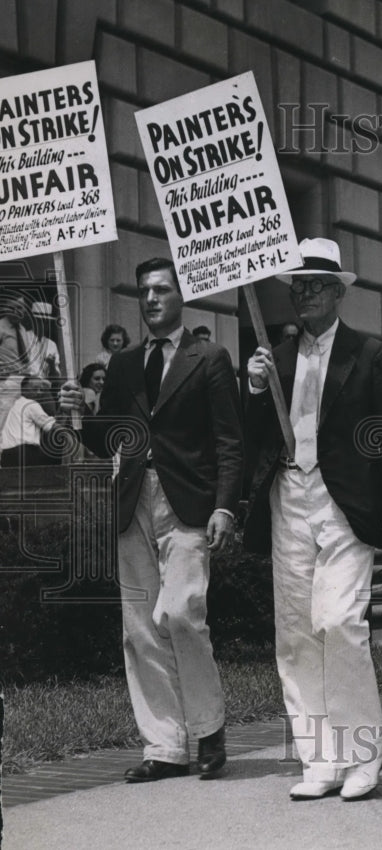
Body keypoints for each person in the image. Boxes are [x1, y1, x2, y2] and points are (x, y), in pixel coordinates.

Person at [59, 257, 242, 784]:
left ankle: (209, 729)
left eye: (162, 289)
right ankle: (164, 744)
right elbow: (107, 438)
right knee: (139, 627)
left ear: (182, 296)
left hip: (188, 502)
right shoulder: (123, 365)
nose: (152, 299)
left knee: (183, 613)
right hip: (133, 497)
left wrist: (225, 505)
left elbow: (230, 441)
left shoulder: (209, 358)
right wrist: (80, 411)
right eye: (144, 291)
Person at [244, 238, 382, 802]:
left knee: (339, 621)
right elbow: (255, 439)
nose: (304, 294)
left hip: (345, 503)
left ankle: (365, 754)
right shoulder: (278, 358)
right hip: (289, 494)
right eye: (298, 286)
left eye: (316, 285)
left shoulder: (369, 355)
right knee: (294, 632)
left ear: (340, 292)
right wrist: (253, 388)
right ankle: (321, 758)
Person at [0, 375, 64, 467]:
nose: (38, 393)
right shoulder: (31, 404)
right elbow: (50, 426)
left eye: (41, 390)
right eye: (35, 389)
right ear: (24, 389)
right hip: (24, 452)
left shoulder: (14, 404)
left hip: (6, 455)